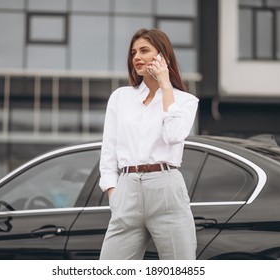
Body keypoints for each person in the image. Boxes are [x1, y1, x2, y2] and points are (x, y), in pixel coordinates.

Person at [99, 28, 199, 260]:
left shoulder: (185, 101)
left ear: (163, 56)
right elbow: (109, 150)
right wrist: (114, 193)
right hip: (127, 189)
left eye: (144, 50)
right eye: (134, 52)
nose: (137, 57)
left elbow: (174, 135)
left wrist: (165, 87)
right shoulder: (121, 97)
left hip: (165, 188)